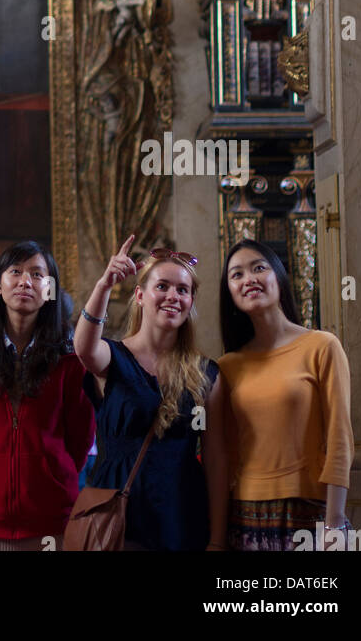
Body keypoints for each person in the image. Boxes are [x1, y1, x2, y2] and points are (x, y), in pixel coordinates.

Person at [74, 235, 228, 550]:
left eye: (183, 290)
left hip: (181, 520)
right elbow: (84, 349)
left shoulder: (207, 373)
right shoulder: (112, 357)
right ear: (140, 295)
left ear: (191, 302)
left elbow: (216, 459)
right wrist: (104, 285)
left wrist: (217, 539)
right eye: (162, 286)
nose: (173, 295)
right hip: (116, 519)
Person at [0, 240, 94, 550]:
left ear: (49, 288)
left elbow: (81, 434)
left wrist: (51, 472)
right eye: (16, 271)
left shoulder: (70, 355)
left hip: (52, 518)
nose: (26, 281)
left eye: (38, 274)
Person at [218, 239, 353, 552]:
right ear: (230, 293)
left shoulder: (322, 346)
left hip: (311, 511)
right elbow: (225, 454)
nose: (248, 278)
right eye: (236, 275)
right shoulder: (226, 366)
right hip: (243, 514)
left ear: (278, 277)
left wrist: (334, 522)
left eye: (258, 268)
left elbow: (340, 438)